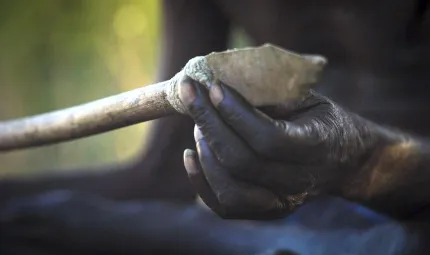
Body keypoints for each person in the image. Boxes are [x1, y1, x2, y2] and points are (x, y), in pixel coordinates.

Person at [1, 77, 430, 254]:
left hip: (414, 219)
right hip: (284, 227)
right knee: (41, 223)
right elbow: (166, 172)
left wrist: (367, 164)